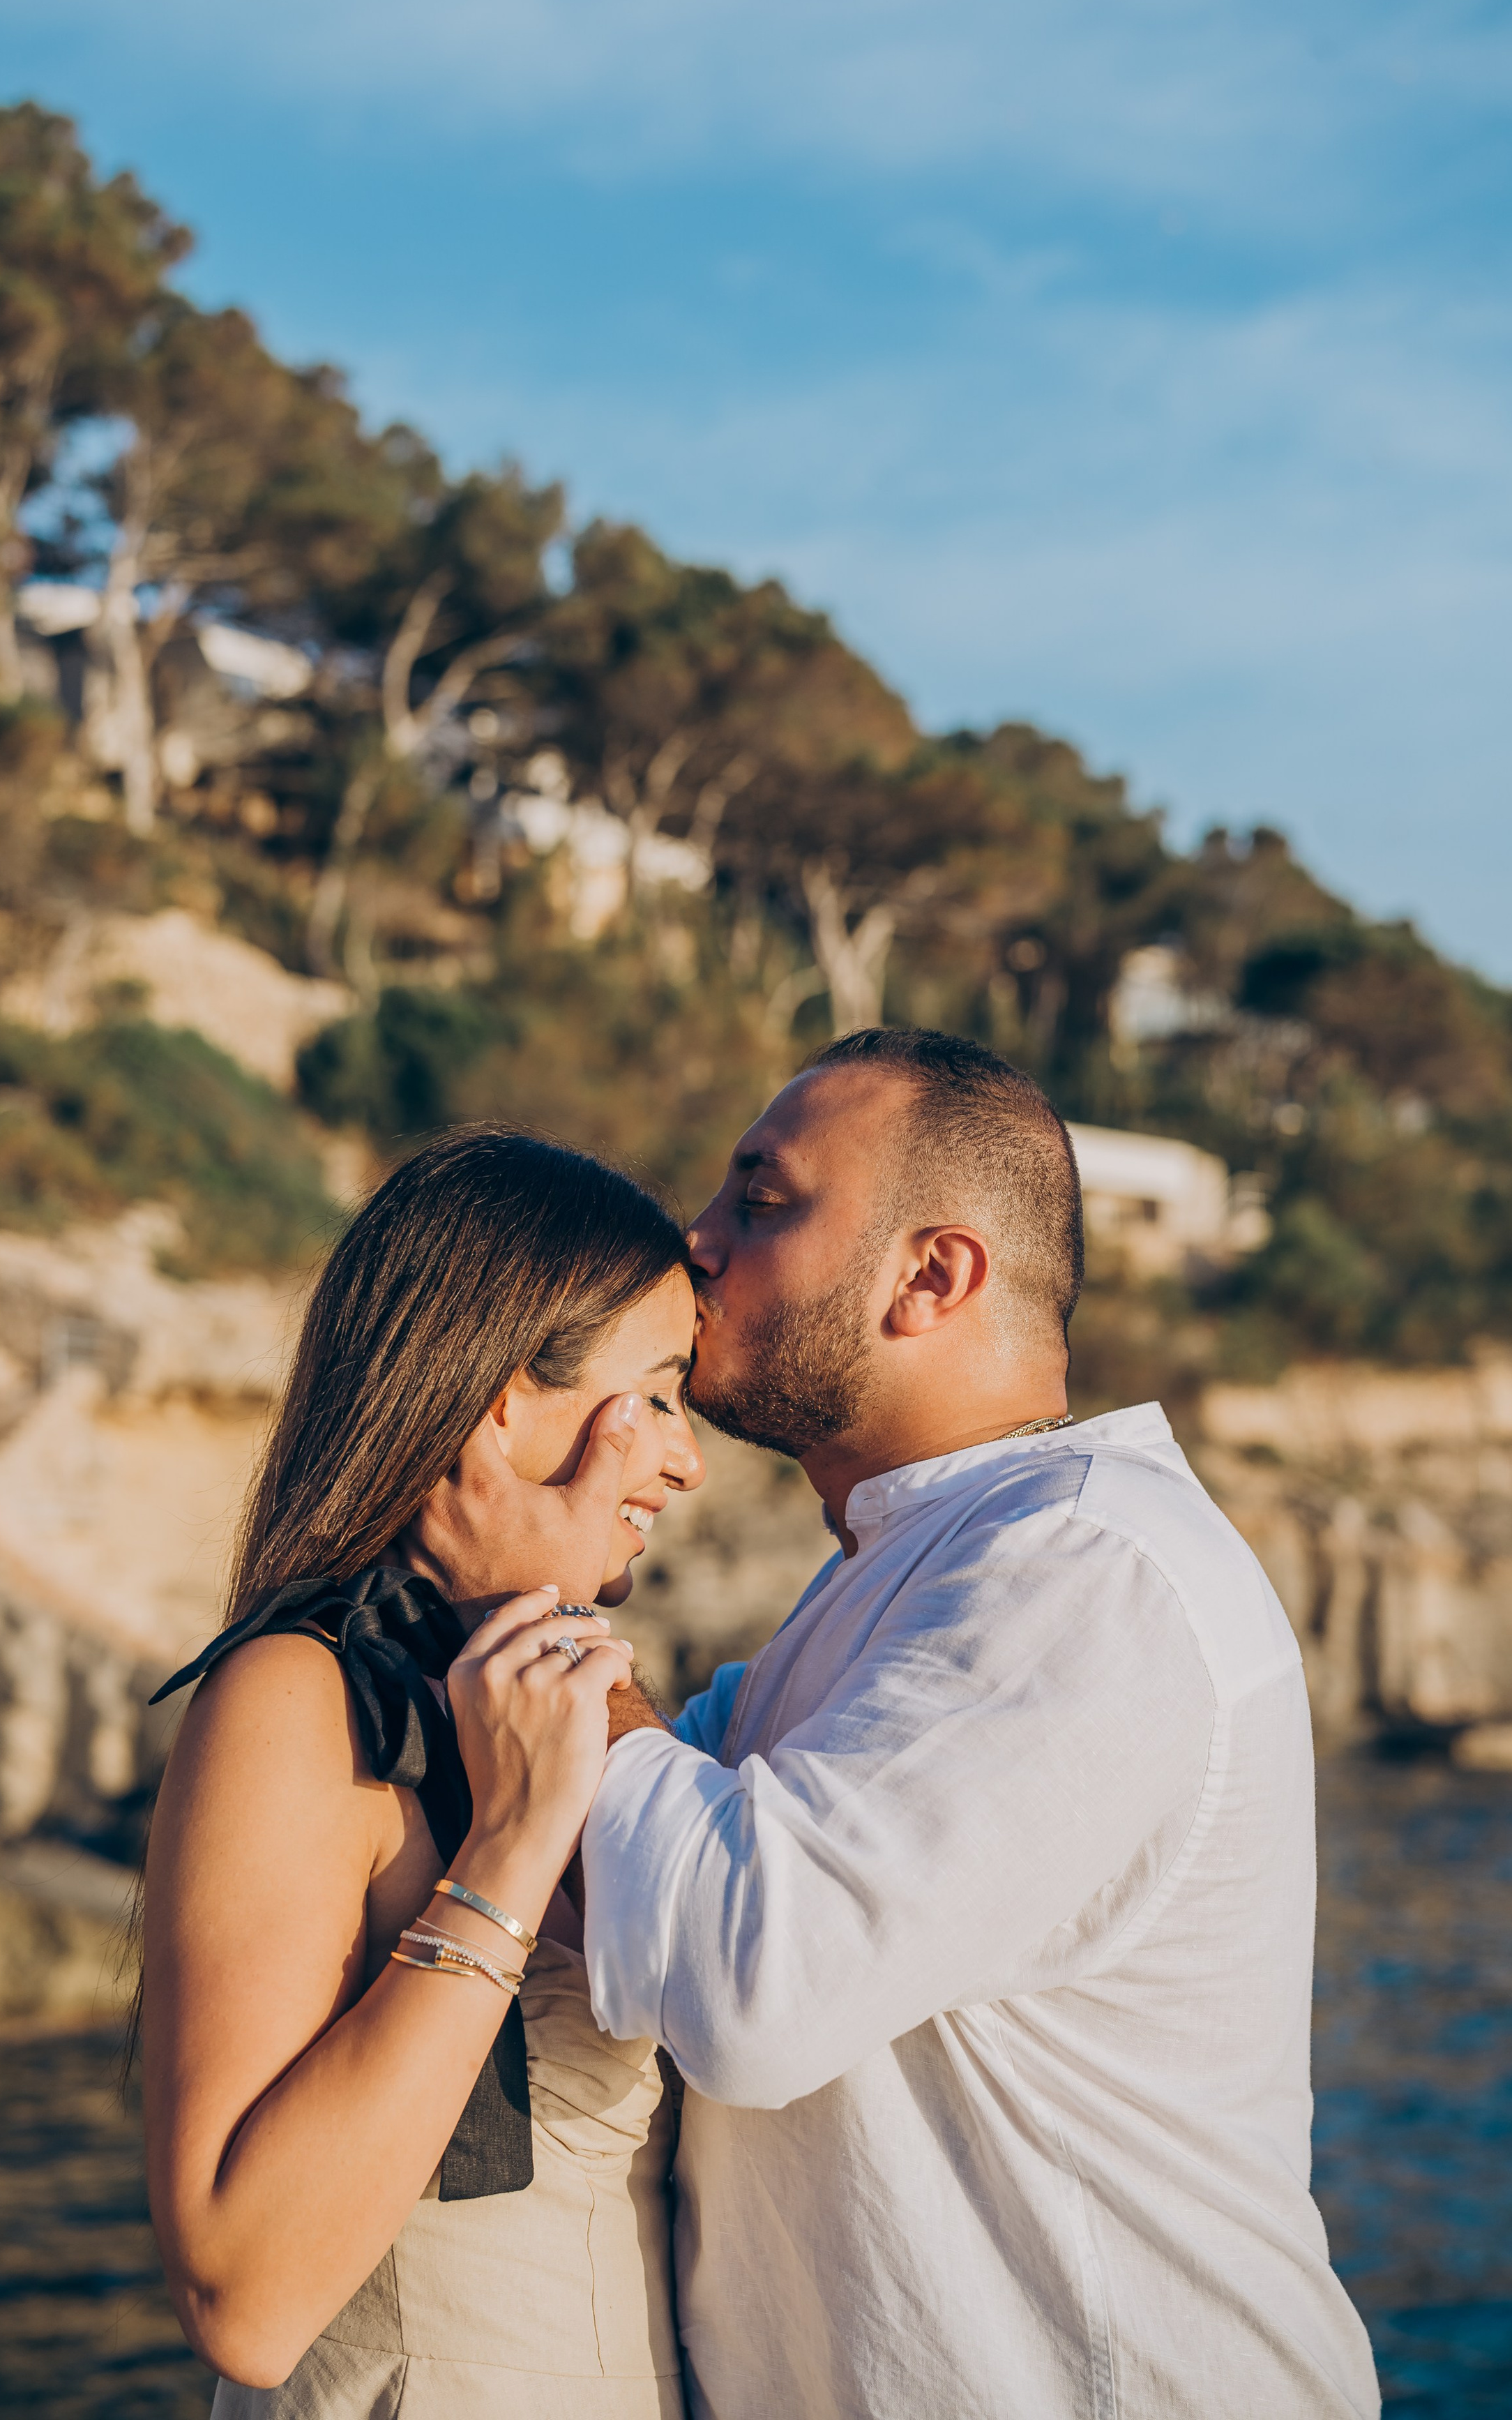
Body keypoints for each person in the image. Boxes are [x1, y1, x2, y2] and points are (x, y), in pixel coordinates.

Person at [430, 1030, 1382, 2419]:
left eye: (763, 1200)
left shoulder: (1088, 1569)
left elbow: (752, 1981)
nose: (693, 1241)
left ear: (931, 1277)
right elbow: (621, 1814)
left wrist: (520, 1589)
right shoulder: (906, 1582)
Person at [139, 1124, 704, 2417]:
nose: (687, 1459)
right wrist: (505, 1855)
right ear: (505, 1399)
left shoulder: (559, 1692)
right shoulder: (301, 1700)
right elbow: (244, 2297)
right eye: (661, 1393)